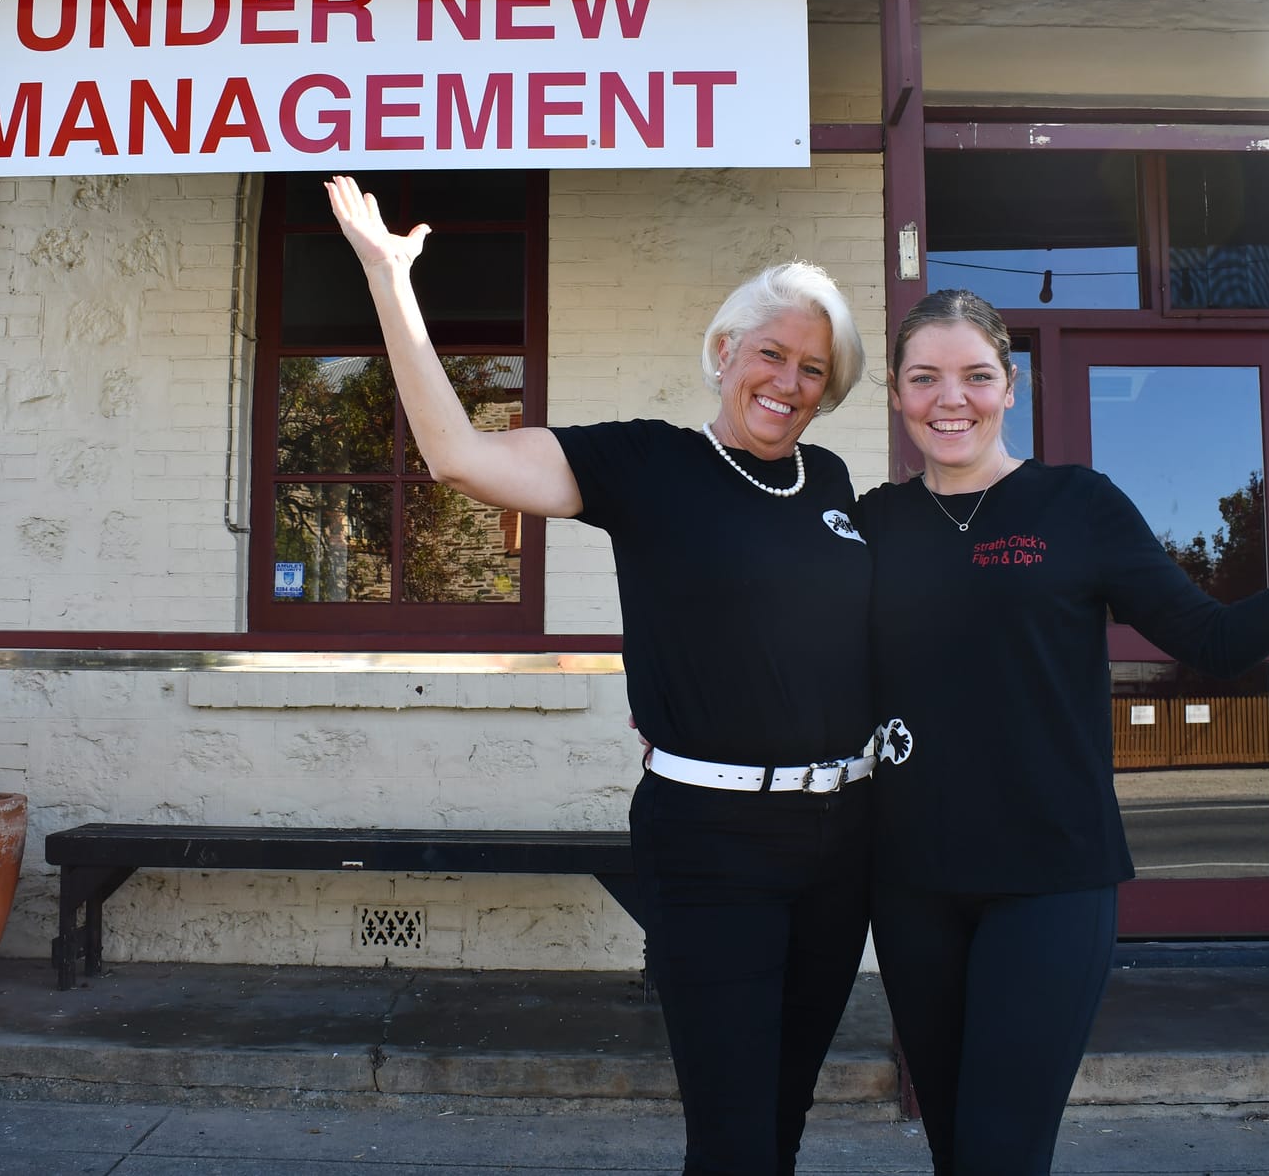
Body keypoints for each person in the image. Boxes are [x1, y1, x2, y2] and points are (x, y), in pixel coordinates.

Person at [853, 289, 1269, 1175]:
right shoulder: (872, 524)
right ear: (896, 393)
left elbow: (1216, 638)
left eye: (976, 375)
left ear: (1010, 387)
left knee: (1000, 1153)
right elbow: (808, 660)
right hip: (910, 888)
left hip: (1050, 880)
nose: (951, 398)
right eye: (924, 377)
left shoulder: (1076, 505)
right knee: (953, 1149)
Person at [324, 175, 877, 1176]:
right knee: (732, 1138)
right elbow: (455, 456)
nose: (786, 382)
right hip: (711, 844)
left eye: (809, 368)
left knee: (784, 1119)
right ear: (722, 354)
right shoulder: (646, 465)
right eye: (768, 353)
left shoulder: (831, 484)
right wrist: (389, 278)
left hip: (840, 843)